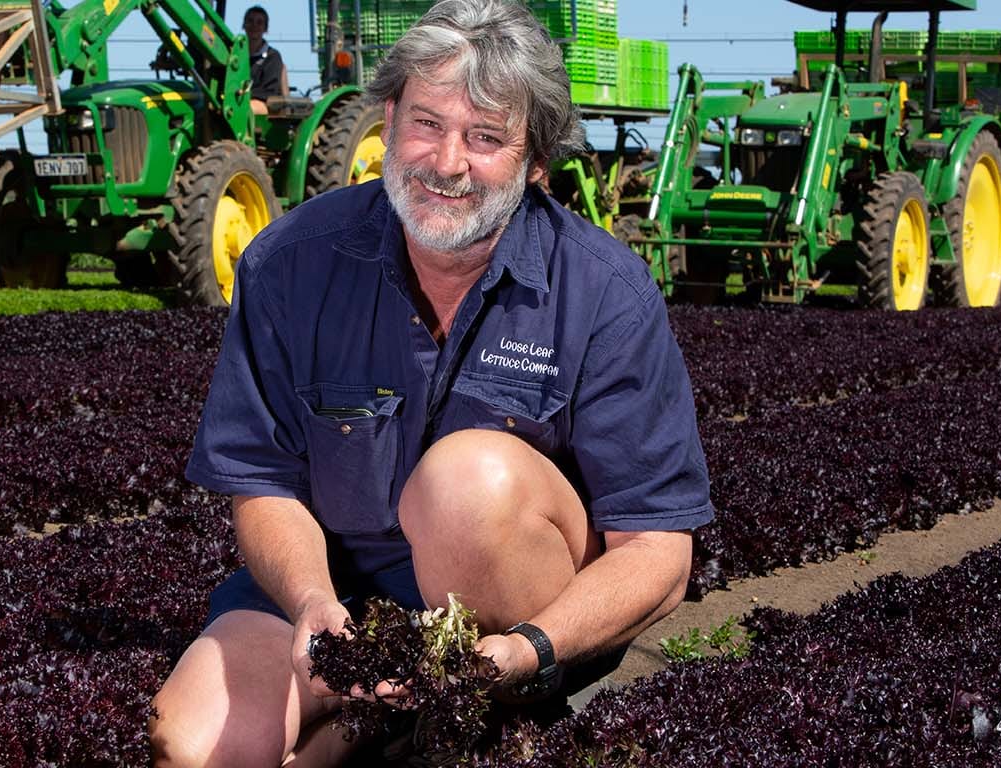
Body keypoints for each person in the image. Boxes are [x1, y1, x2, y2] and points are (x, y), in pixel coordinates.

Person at [150, 1, 714, 765]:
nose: (447, 162)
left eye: (486, 138)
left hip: (507, 625)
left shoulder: (604, 294)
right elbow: (261, 484)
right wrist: (314, 603)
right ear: (388, 116)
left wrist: (531, 649)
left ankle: (447, 714)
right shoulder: (290, 264)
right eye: (427, 124)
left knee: (464, 482)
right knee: (188, 746)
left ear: (535, 161)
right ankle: (371, 722)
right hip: (333, 603)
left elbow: (658, 550)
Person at [244, 5, 287, 115]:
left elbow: (269, 92)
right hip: (238, 101)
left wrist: (244, 95)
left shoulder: (272, 56)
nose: (254, 25)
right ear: (244, 25)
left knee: (243, 110)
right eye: (250, 21)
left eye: (259, 22)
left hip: (265, 104)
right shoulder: (236, 55)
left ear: (265, 28)